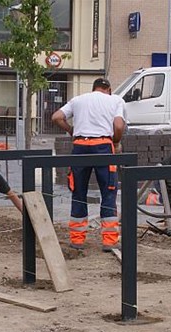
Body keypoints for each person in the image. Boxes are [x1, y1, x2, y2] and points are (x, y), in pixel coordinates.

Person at [51, 77, 126, 252]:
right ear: (108, 89)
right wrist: (115, 141)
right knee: (108, 191)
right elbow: (119, 125)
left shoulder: (78, 100)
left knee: (78, 192)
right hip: (103, 146)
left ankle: (77, 240)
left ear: (94, 89)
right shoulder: (115, 100)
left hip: (80, 146)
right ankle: (109, 241)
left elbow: (57, 117)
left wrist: (72, 131)